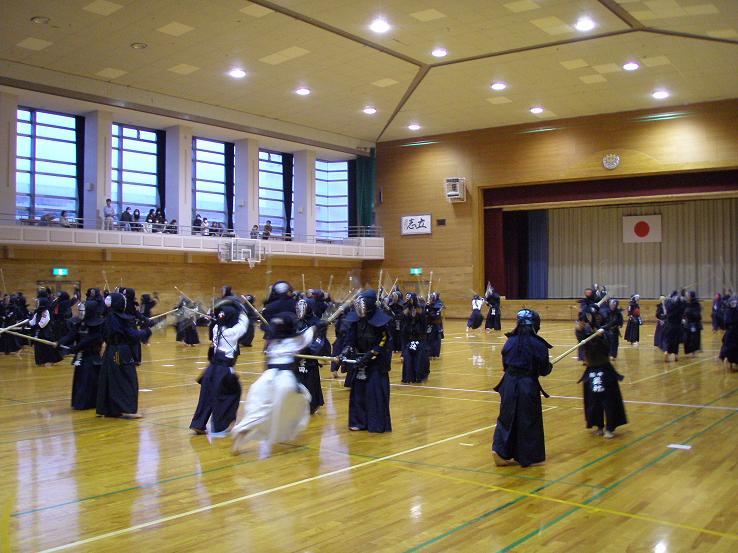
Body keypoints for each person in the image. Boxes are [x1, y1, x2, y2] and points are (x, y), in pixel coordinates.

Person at [231, 312, 322, 455]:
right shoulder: (296, 340)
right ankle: (282, 429)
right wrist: (319, 326)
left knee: (260, 410)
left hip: (266, 379)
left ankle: (243, 428)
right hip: (285, 380)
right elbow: (309, 334)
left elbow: (266, 363)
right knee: (303, 399)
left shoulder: (272, 343)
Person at [492, 309, 552, 467]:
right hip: (527, 385)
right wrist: (548, 367)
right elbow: (544, 370)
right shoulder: (538, 344)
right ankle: (528, 456)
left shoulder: (510, 341)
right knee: (528, 419)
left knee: (506, 417)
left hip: (508, 383)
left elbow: (505, 365)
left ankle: (499, 450)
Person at [190, 300, 248, 435]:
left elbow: (221, 320)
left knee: (207, 396)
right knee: (232, 394)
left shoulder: (216, 328)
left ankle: (198, 424)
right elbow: (244, 324)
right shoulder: (232, 332)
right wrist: (240, 308)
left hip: (212, 368)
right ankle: (222, 425)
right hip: (224, 369)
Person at [340, 289, 392, 433]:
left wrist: (369, 356)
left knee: (373, 394)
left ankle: (375, 423)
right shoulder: (356, 321)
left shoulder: (381, 323)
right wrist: (345, 352)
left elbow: (383, 342)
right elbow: (350, 339)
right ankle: (359, 421)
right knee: (358, 393)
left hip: (376, 363)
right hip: (359, 360)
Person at [96, 292, 151, 419]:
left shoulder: (108, 317)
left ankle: (111, 409)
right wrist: (146, 332)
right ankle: (127, 410)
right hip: (120, 352)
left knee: (112, 379)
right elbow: (132, 335)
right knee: (127, 379)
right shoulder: (116, 319)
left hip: (111, 351)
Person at [578, 324, 627, 438]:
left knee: (609, 401)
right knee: (593, 402)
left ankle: (610, 428)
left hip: (605, 371)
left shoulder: (605, 334)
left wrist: (601, 336)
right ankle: (599, 426)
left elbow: (607, 347)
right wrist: (580, 330)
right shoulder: (585, 336)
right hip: (591, 372)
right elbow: (581, 340)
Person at [58, 300, 104, 410]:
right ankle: (79, 402)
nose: (81, 312)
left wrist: (74, 348)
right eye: (80, 310)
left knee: (88, 380)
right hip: (81, 356)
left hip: (92, 358)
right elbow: (72, 335)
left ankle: (88, 403)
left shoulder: (98, 326)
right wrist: (60, 342)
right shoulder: (80, 324)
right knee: (80, 378)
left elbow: (90, 340)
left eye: (83, 310)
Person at [295, 297, 330, 414]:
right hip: (296, 358)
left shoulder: (317, 323)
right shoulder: (296, 322)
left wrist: (305, 348)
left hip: (309, 358)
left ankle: (312, 405)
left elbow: (318, 342)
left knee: (311, 381)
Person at [401, 293, 429, 383]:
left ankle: (418, 376)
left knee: (419, 359)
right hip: (410, 338)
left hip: (420, 339)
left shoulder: (420, 310)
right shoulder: (407, 310)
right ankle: (408, 377)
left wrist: (417, 308)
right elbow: (404, 317)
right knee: (408, 358)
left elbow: (423, 323)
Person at [28, 297, 64, 366]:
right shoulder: (37, 313)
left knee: (47, 348)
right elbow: (32, 322)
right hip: (39, 333)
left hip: (46, 333)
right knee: (38, 347)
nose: (36, 304)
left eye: (38, 303)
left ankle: (51, 360)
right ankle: (40, 361)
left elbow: (43, 323)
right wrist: (27, 324)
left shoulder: (45, 312)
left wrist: (34, 327)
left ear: (41, 304)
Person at [719, 295, 738, 370]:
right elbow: (726, 322)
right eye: (732, 303)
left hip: (736, 332)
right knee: (728, 347)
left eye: (734, 303)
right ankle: (729, 362)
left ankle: (735, 362)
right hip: (730, 332)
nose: (733, 304)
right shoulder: (728, 311)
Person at [683, 291, 702, 356]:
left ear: (691, 296)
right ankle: (688, 351)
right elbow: (684, 312)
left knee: (694, 338)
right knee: (686, 338)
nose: (687, 297)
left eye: (688, 295)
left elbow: (697, 315)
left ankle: (693, 352)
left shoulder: (696, 304)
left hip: (694, 324)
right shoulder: (687, 303)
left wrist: (689, 313)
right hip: (687, 324)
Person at [426, 292, 444, 359]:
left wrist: (429, 310)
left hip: (436, 325)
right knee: (429, 339)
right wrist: (427, 307)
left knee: (436, 340)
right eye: (429, 299)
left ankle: (435, 354)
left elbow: (434, 316)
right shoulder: (427, 306)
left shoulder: (437, 306)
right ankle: (429, 354)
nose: (430, 300)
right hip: (429, 325)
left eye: (431, 298)